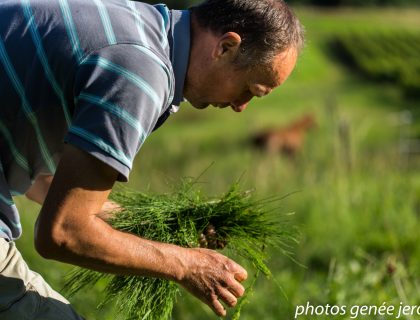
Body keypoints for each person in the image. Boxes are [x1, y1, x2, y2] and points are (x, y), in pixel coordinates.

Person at [0, 0, 304, 318]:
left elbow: (45, 184)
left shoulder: (140, 25)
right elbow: (62, 232)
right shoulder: (139, 72)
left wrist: (152, 228)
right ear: (226, 47)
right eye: (250, 90)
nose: (242, 106)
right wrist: (186, 264)